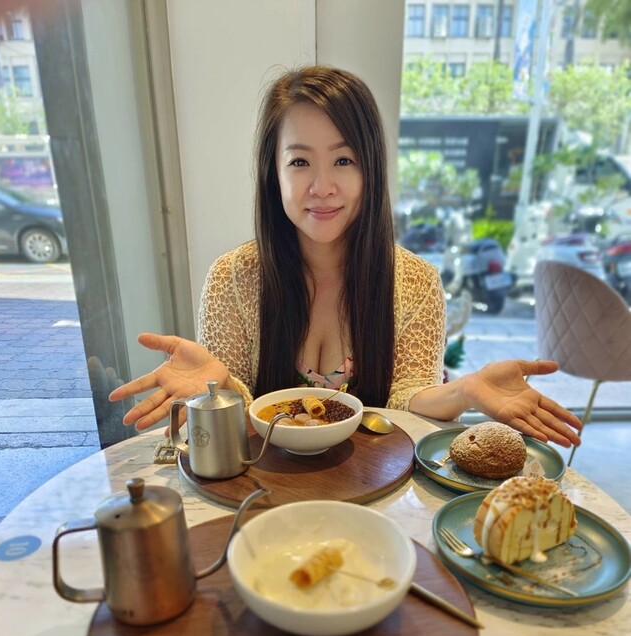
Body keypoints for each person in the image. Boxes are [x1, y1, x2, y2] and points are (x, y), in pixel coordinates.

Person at [108, 65, 581, 449]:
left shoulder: (415, 281)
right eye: (299, 162)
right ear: (273, 173)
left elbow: (407, 399)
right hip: (267, 495)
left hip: (375, 490)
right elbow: (236, 422)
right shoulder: (233, 277)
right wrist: (221, 390)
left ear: (369, 169)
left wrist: (466, 389)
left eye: (343, 160)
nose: (322, 187)